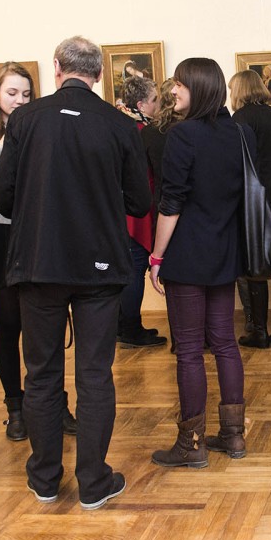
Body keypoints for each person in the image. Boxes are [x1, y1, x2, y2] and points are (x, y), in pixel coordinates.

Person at [0, 36, 150, 509]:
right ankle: (94, 482)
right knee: (95, 374)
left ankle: (44, 479)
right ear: (99, 74)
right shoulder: (119, 124)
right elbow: (140, 201)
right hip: (99, 266)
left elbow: (2, 196)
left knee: (41, 373)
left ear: (57, 67)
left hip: (39, 263)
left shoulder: (25, 120)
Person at [0, 62, 80, 441]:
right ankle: (15, 408)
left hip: (40, 234)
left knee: (46, 326)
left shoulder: (44, 128)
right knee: (8, 324)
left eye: (27, 94)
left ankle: (54, 404)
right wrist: (8, 139)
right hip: (0, 234)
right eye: (12, 93)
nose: (19, 100)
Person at [148, 57, 250, 469]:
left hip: (188, 253)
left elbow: (170, 203)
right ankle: (233, 435)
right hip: (225, 250)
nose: (173, 91)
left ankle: (191, 443)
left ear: (200, 88)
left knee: (189, 350)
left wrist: (156, 256)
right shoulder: (238, 132)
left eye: (181, 84)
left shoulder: (182, 134)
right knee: (225, 342)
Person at [229, 70, 271, 349]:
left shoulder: (240, 119)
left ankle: (259, 332)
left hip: (253, 197)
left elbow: (238, 163)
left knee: (255, 262)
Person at [114, 75, 168, 348]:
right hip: (135, 212)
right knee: (134, 270)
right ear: (141, 104)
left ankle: (123, 326)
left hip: (121, 210)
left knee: (128, 270)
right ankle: (131, 329)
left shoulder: (119, 126)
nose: (159, 104)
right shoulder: (138, 131)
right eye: (155, 100)